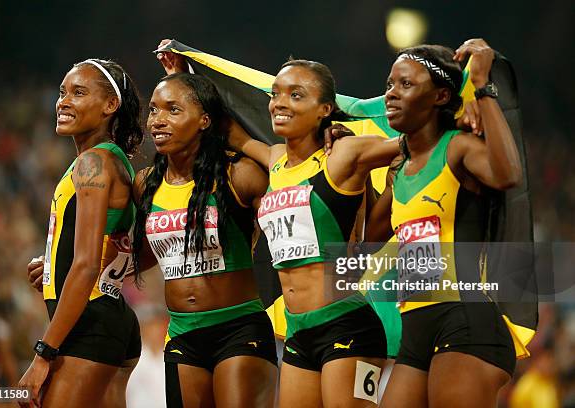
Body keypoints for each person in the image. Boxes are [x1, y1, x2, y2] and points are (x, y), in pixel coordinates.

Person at [214, 56, 402, 406]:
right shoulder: (274, 160)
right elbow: (231, 132)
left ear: (324, 109)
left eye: (296, 95)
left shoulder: (342, 154)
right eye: (275, 94)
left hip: (348, 326)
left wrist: (393, 180)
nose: (279, 103)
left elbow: (413, 143)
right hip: (299, 331)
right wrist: (186, 71)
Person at [365, 39, 523, 408]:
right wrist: (351, 164)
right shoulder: (402, 170)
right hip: (416, 330)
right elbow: (372, 236)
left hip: (464, 321)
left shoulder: (457, 148)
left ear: (439, 96)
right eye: (389, 84)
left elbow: (507, 174)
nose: (391, 94)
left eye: (406, 84)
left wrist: (482, 86)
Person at [132, 71, 278, 407]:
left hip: (239, 329)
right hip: (183, 333)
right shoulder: (145, 184)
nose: (157, 120)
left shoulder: (238, 174)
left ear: (204, 120)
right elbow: (139, 257)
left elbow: (292, 193)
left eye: (173, 109)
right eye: (153, 110)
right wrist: (57, 265)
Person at [20, 58, 143, 408]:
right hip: (109, 321)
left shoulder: (93, 164)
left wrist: (43, 354)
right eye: (62, 93)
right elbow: (111, 248)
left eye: (78, 92)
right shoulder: (112, 161)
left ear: (109, 105)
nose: (64, 101)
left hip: (90, 326)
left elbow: (87, 265)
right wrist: (54, 265)